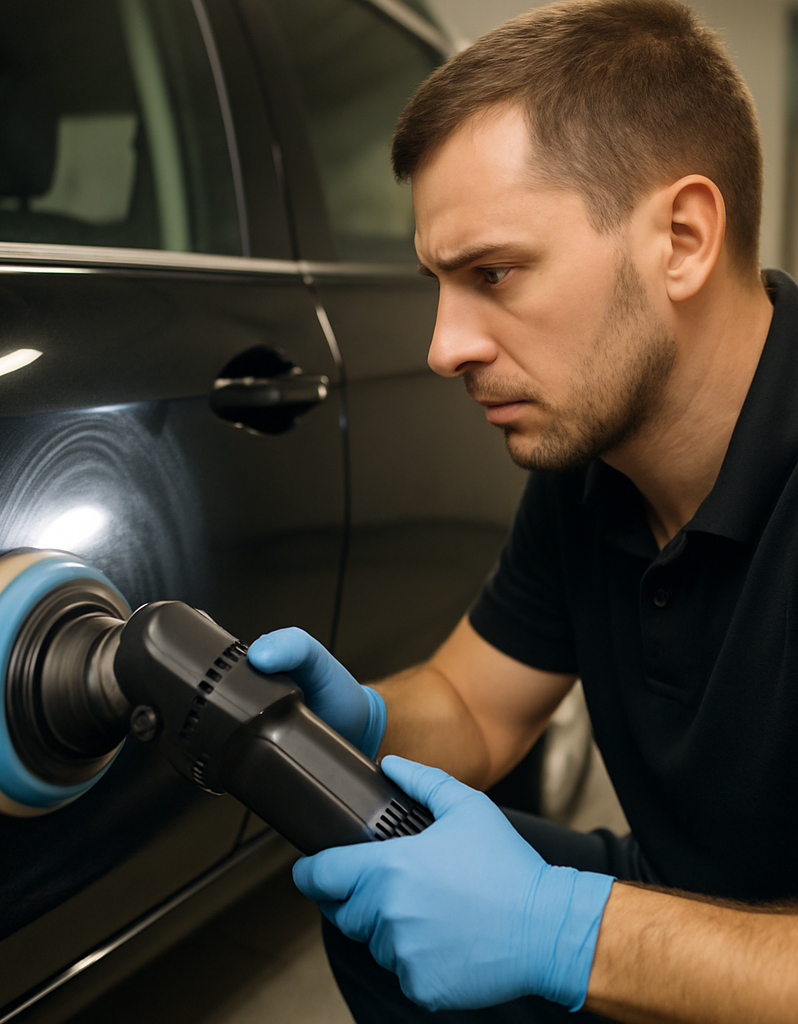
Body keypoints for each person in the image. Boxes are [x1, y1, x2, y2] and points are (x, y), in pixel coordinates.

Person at [246, 1, 798, 1021]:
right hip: (709, 902)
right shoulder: (593, 463)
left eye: (493, 273)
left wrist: (565, 929)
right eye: (440, 284)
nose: (443, 345)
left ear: (679, 238)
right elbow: (471, 708)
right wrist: (355, 720)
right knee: (385, 875)